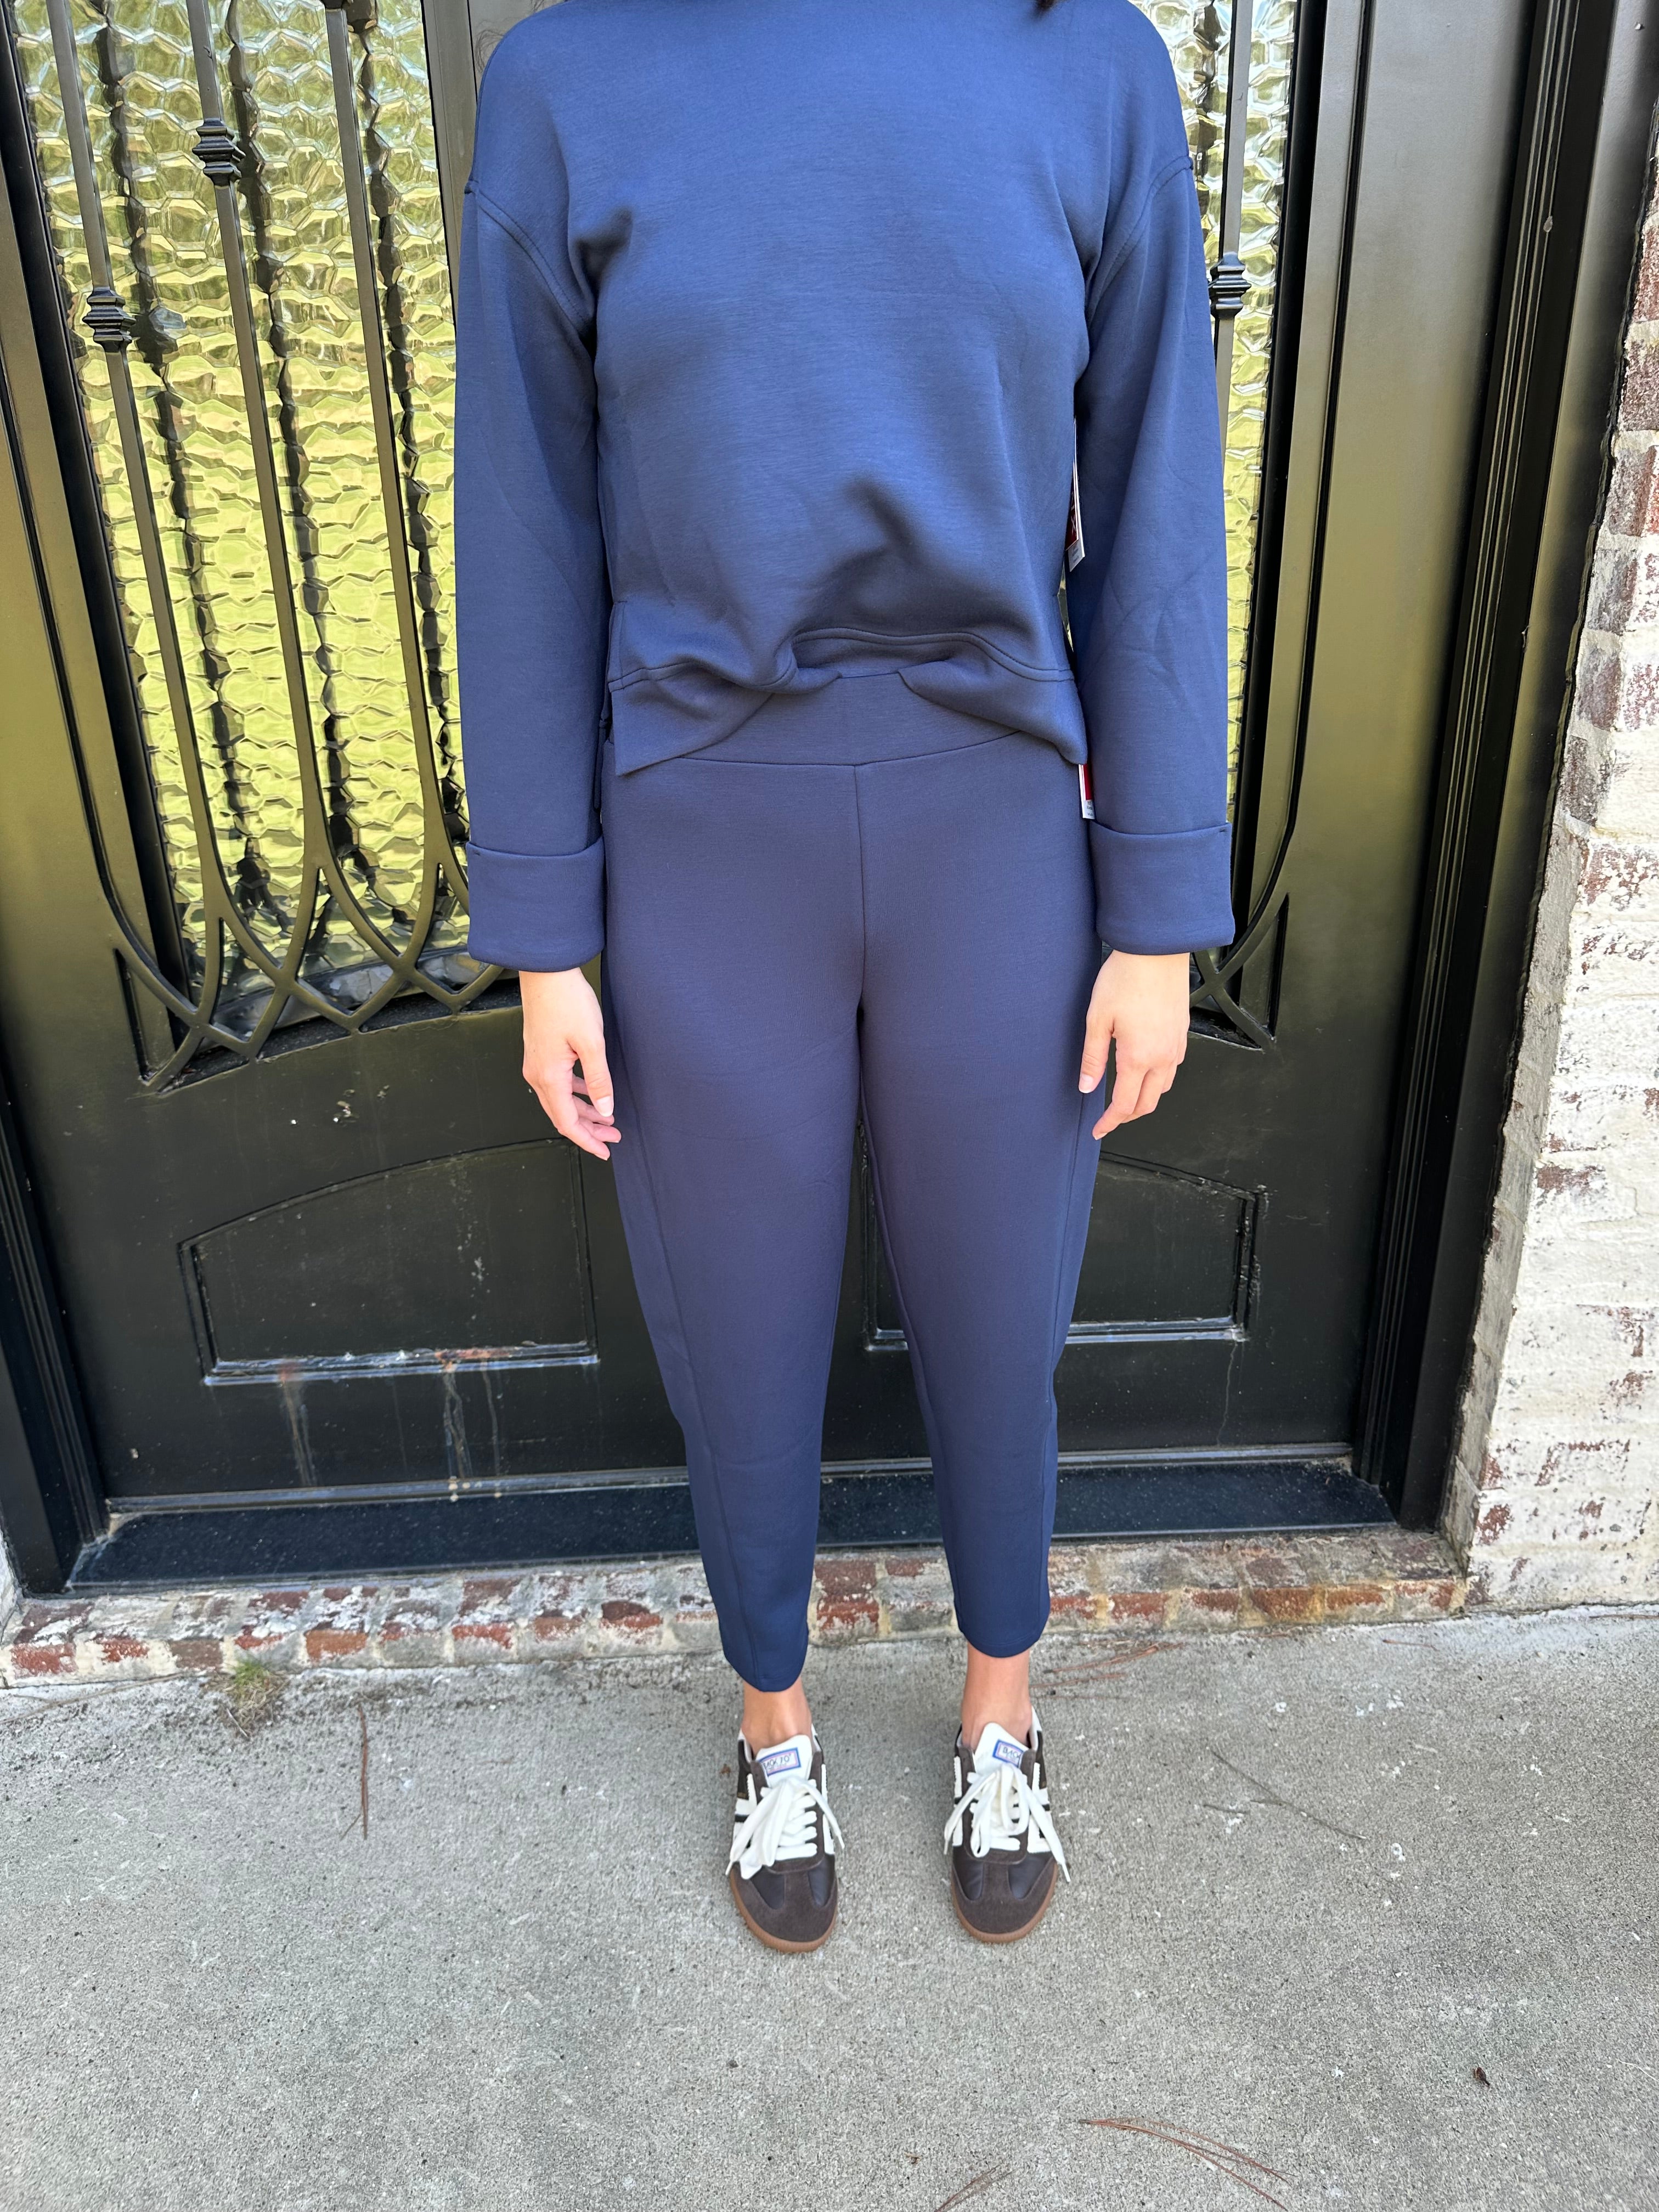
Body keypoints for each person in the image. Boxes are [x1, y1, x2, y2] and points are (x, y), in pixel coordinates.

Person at [454, 0, 1232, 1951]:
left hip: (997, 819)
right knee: (734, 1321)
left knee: (999, 1306)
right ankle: (773, 1725)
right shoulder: (570, 80)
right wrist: (545, 935)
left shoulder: (1088, 67)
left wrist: (1155, 907)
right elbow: (525, 520)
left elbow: (1154, 500)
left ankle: (1002, 1711)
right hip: (702, 826)